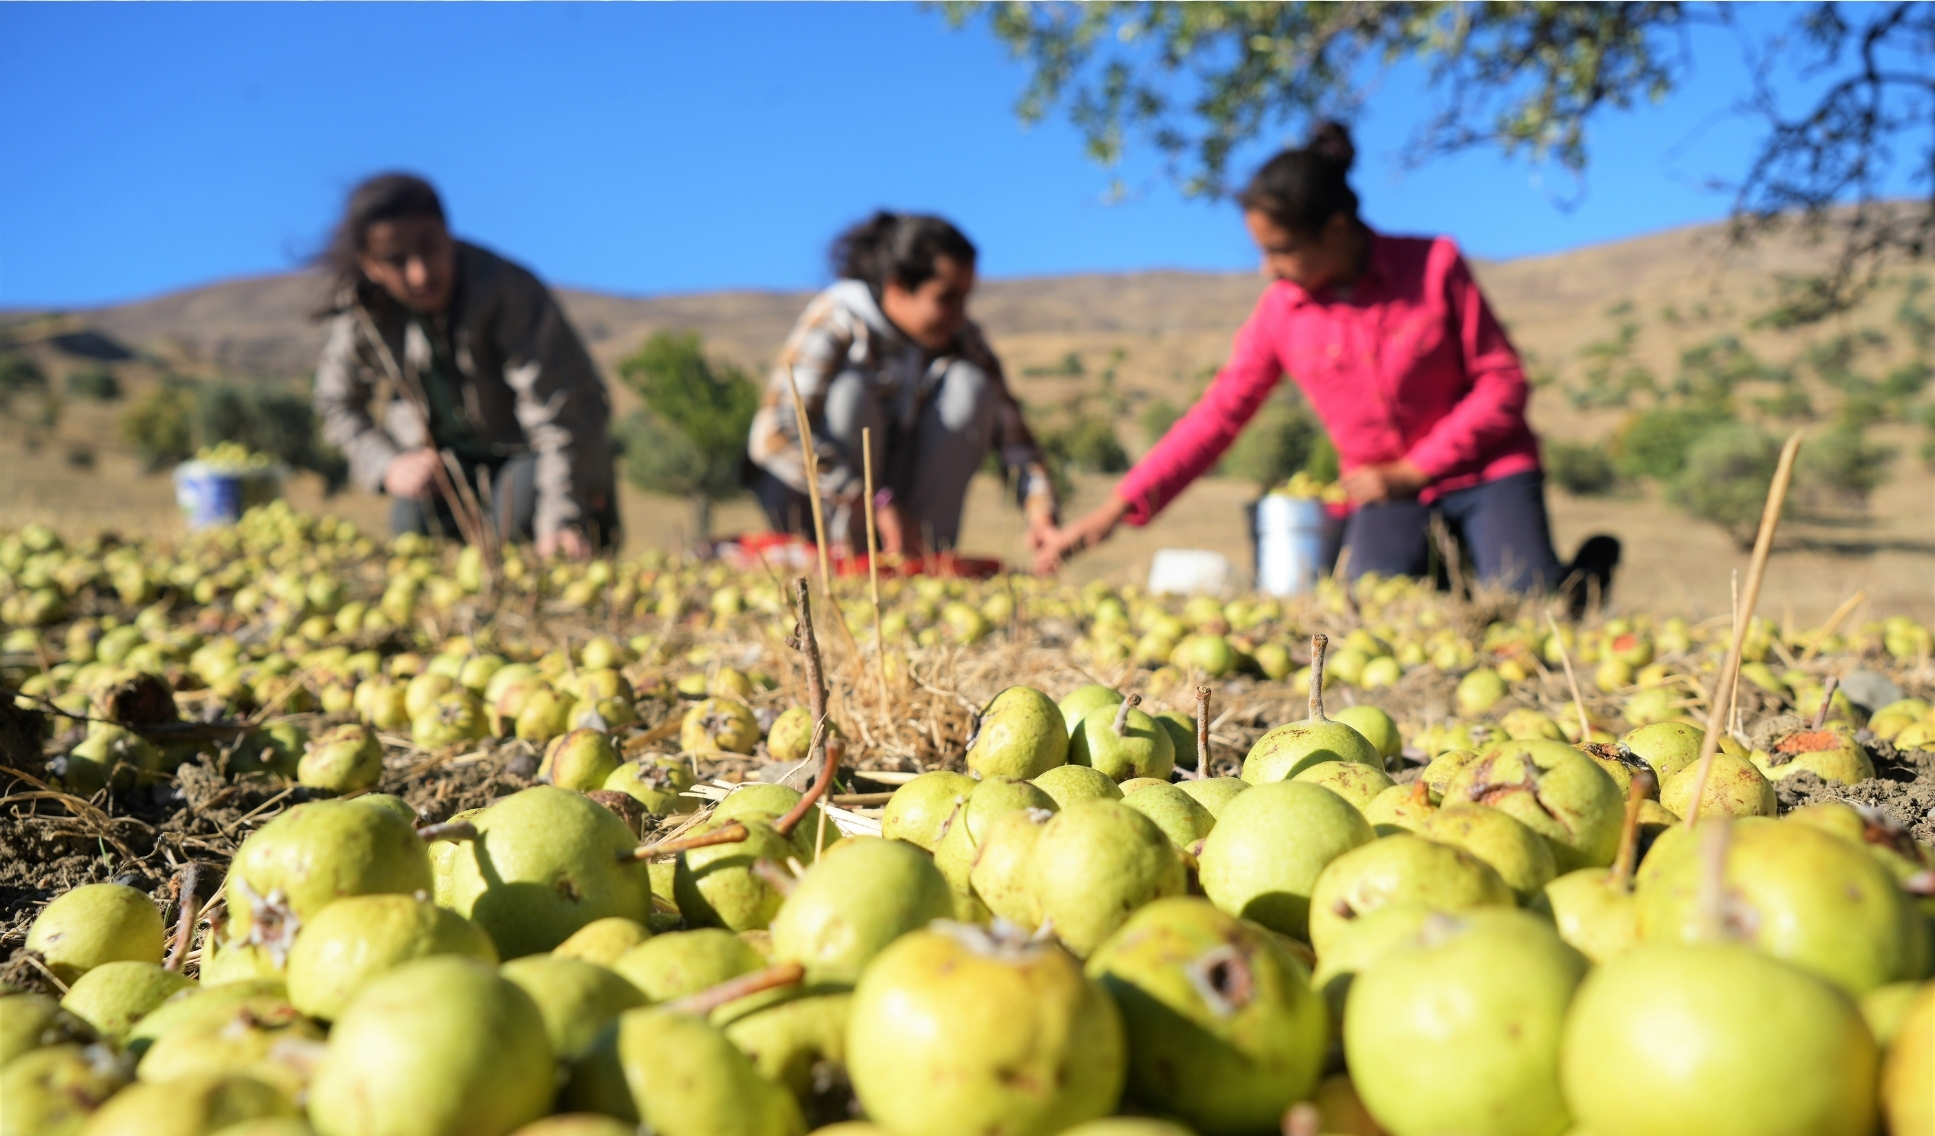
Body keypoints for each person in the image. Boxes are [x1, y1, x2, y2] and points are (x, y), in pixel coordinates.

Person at [1040, 124, 1618, 608]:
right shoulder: (1281, 313)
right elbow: (1216, 418)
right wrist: (1115, 510)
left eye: (1280, 250)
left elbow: (1503, 384)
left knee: (1530, 610)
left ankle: (1575, 576)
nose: (1266, 268)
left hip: (1487, 472)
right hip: (1386, 496)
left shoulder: (1434, 266)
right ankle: (1454, 567)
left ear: (1336, 230)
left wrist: (1416, 468)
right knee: (1370, 609)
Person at [314, 173, 618, 558]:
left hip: (529, 451)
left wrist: (562, 518)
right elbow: (336, 403)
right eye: (396, 259)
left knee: (523, 523)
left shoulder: (507, 291)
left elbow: (561, 414)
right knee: (414, 527)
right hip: (448, 468)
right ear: (370, 265)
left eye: (429, 247)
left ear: (448, 231)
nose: (420, 273)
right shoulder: (362, 313)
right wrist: (389, 465)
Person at [747, 211, 1058, 556]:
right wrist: (869, 500)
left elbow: (1015, 440)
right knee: (850, 394)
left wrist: (1040, 511)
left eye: (965, 298)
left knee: (970, 386)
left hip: (904, 512)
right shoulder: (839, 317)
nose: (960, 314)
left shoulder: (961, 337)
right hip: (825, 509)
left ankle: (923, 557)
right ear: (897, 287)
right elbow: (773, 435)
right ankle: (850, 555)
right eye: (946, 298)